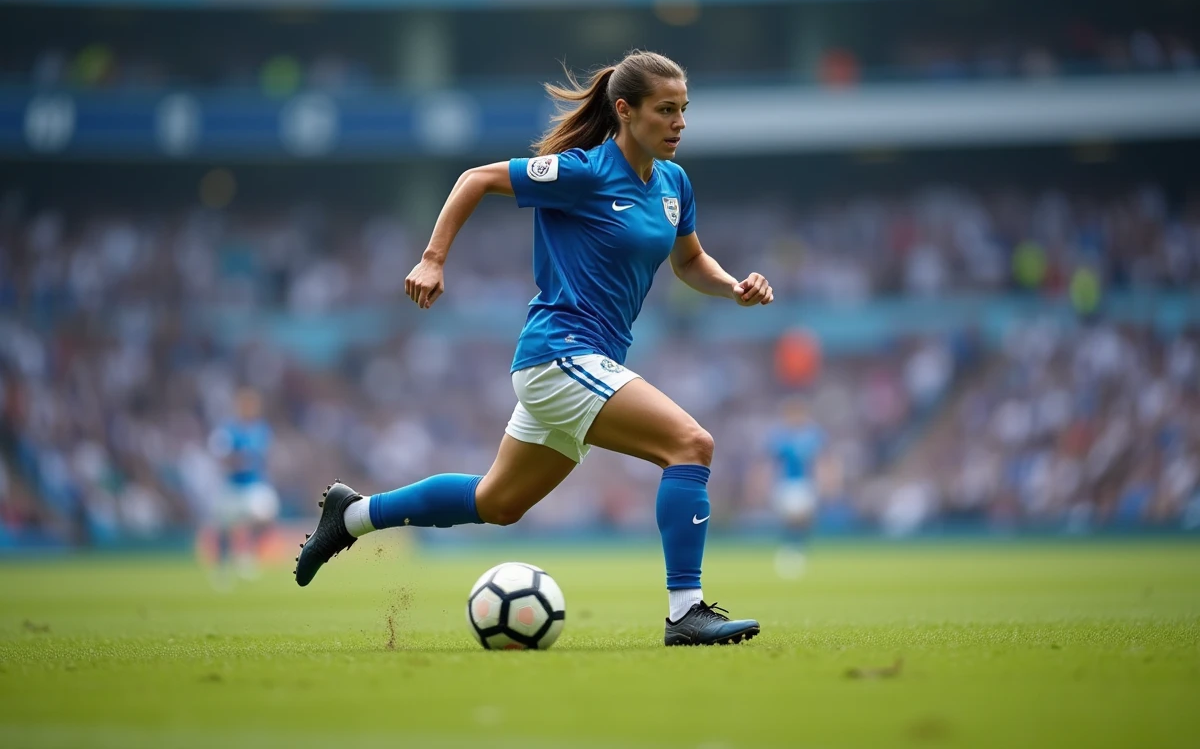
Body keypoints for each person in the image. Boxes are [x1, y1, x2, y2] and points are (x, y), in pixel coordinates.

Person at [294, 50, 775, 646]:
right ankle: (686, 612)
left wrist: (733, 287)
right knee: (690, 444)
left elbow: (690, 260)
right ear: (625, 111)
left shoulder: (673, 183)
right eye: (665, 110)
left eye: (684, 110)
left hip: (587, 361)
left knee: (497, 502)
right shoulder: (582, 172)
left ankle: (352, 515)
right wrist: (433, 258)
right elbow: (475, 179)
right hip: (560, 355)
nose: (679, 123)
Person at [206, 387, 279, 585]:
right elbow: (220, 457)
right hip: (232, 486)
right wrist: (237, 460)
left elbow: (265, 457)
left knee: (266, 515)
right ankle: (221, 567)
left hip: (253, 485)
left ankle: (247, 553)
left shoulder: (262, 429)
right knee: (224, 527)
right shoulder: (228, 431)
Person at [765, 397, 826, 579]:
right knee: (788, 519)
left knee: (804, 519)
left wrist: (823, 481)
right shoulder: (780, 436)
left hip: (805, 483)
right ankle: (789, 550)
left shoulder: (812, 435)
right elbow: (772, 462)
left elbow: (820, 460)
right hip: (786, 483)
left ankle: (800, 550)